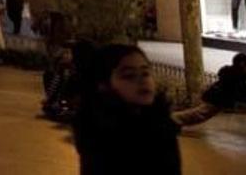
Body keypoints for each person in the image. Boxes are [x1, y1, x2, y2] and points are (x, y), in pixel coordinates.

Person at [73, 44, 180, 175]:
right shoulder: (99, 133)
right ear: (104, 85)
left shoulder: (161, 123)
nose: (142, 81)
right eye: (129, 75)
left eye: (145, 73)